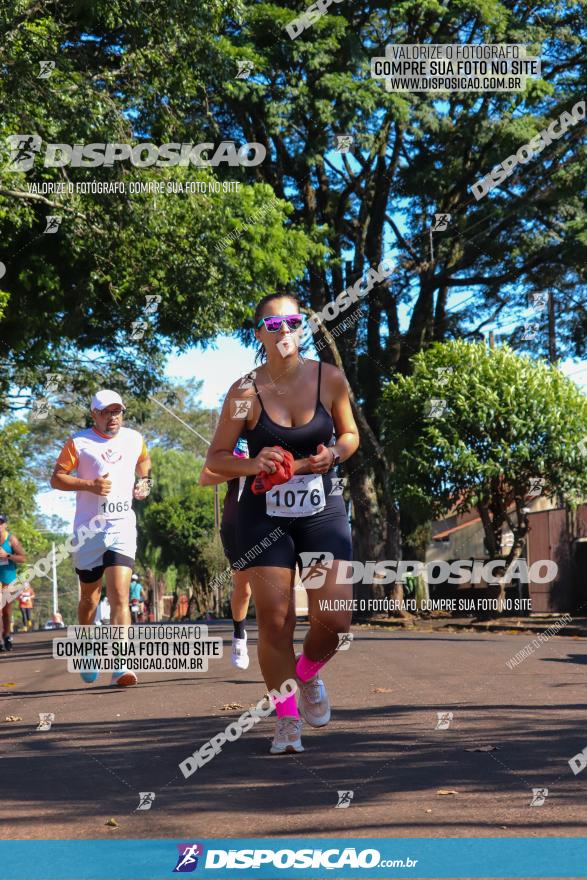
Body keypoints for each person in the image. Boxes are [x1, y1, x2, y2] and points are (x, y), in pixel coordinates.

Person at [206, 294, 360, 754]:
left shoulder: (329, 379)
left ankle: (307, 676)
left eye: (293, 321)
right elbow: (215, 459)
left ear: (302, 327)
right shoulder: (243, 393)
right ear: (259, 334)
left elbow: (349, 434)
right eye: (273, 324)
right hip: (264, 519)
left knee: (334, 620)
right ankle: (287, 719)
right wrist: (254, 463)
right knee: (275, 623)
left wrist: (333, 453)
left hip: (320, 513)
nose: (285, 329)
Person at [50, 390, 152, 687]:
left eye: (117, 411)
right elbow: (56, 478)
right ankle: (86, 648)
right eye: (107, 412)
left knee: (120, 595)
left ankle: (121, 665)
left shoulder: (134, 438)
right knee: (89, 598)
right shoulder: (79, 442)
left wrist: (145, 482)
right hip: (88, 531)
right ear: (94, 414)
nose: (113, 417)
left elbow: (143, 462)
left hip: (122, 527)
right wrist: (88, 485)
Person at [200, 436, 252, 670]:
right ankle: (239, 635)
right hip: (238, 521)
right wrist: (242, 467)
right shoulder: (234, 440)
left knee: (278, 586)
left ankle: (280, 647)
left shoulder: (283, 429)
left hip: (274, 518)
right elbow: (205, 477)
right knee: (244, 587)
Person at [0, 514, 28, 652]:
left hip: (8, 578)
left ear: (5, 524)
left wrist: (7, 555)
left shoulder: (11, 540)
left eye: (1, 523)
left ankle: (7, 635)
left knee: (6, 610)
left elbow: (23, 558)